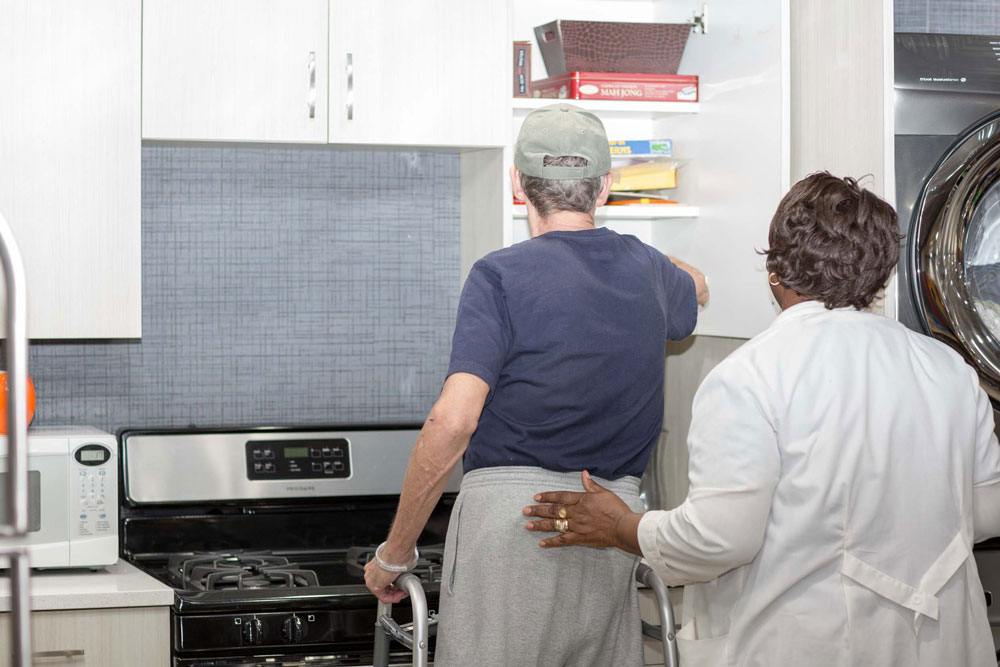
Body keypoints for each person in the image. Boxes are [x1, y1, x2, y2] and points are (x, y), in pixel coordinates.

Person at [524, 171, 1000, 667]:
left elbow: (716, 539)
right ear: (880, 274)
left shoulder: (750, 376)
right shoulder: (948, 368)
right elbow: (987, 510)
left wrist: (622, 526)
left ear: (775, 271)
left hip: (813, 645)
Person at [363, 103, 709, 666]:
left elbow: (453, 421)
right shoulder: (648, 271)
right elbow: (697, 285)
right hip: (610, 525)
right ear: (606, 189)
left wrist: (395, 554)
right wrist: (627, 253)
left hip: (509, 530)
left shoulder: (498, 275)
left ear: (518, 185)